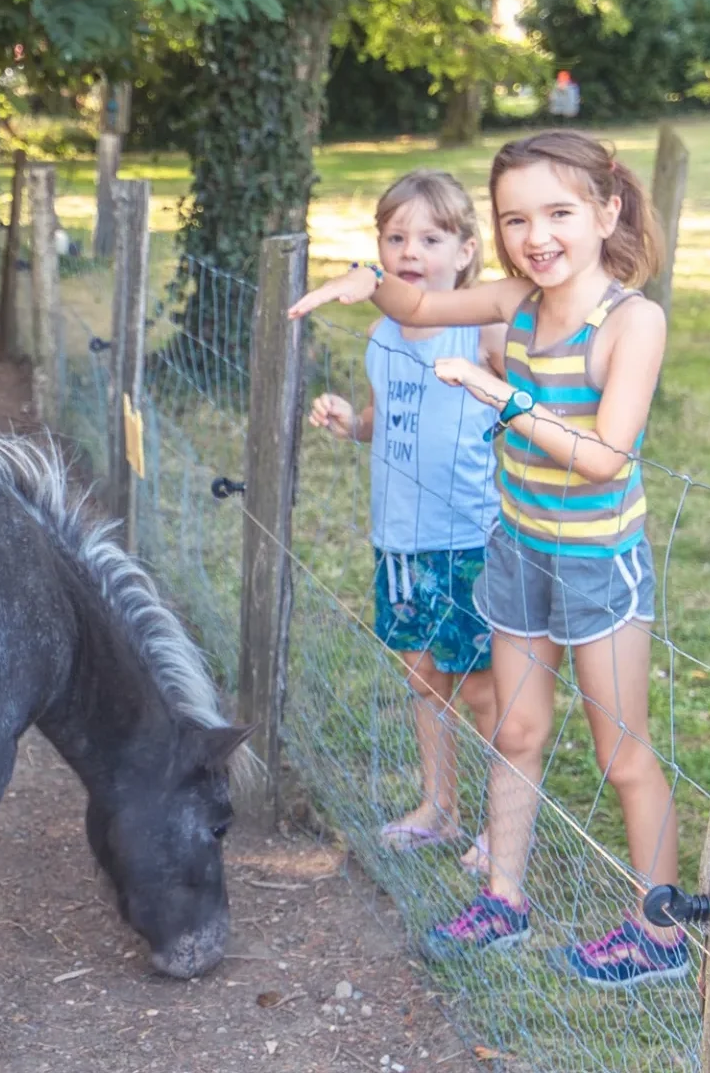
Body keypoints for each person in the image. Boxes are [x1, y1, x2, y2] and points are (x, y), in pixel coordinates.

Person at [288, 129, 689, 989]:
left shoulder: (633, 320)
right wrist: (371, 281)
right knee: (514, 727)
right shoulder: (513, 301)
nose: (535, 236)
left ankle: (659, 929)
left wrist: (501, 395)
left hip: (595, 562)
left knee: (622, 752)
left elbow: (605, 457)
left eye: (558, 213)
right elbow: (421, 309)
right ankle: (504, 901)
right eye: (515, 220)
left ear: (606, 210)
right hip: (516, 549)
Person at [304, 170, 500, 875]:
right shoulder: (383, 335)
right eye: (395, 237)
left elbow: (520, 409)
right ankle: (439, 806)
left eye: (430, 236)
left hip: (466, 541)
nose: (410, 249)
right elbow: (382, 420)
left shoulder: (484, 330)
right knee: (423, 677)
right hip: (400, 543)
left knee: (480, 686)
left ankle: (503, 829)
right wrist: (347, 423)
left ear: (466, 250)